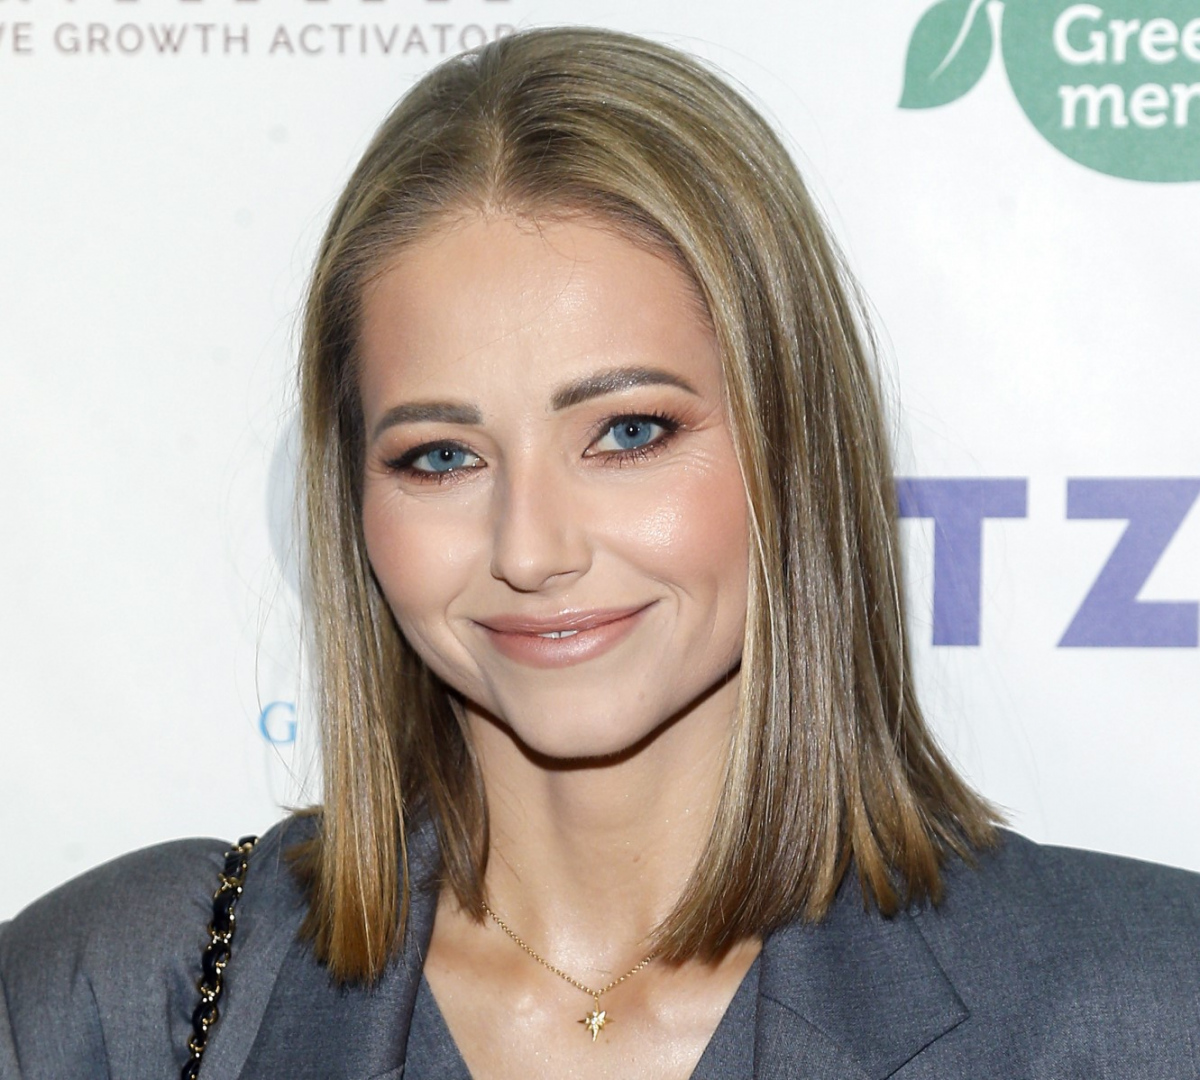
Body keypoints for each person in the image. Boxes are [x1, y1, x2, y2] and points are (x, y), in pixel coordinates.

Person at [1, 25, 1198, 1080]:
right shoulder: (126, 1002)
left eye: (629, 433)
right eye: (440, 456)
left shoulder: (1151, 1003)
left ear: (795, 444)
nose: (531, 548)